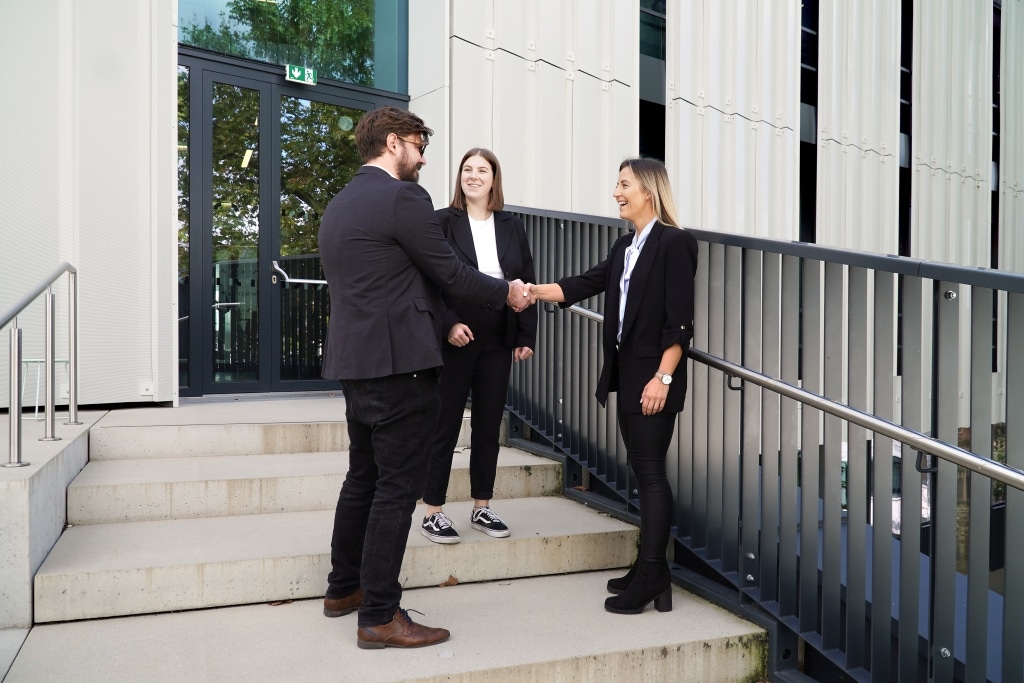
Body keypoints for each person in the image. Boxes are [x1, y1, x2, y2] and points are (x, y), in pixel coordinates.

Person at [317, 107, 530, 649]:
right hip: (399, 367)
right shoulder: (403, 198)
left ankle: (344, 589)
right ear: (394, 144)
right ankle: (380, 615)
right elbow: (450, 272)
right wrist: (507, 292)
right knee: (395, 490)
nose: (424, 156)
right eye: (418, 145)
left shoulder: (340, 204)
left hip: (354, 364)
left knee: (361, 478)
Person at [525, 157, 697, 615]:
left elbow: (680, 323)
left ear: (648, 190)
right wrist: (532, 291)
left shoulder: (675, 243)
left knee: (652, 476)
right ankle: (647, 570)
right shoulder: (626, 247)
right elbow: (585, 283)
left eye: (624, 184)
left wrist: (663, 377)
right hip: (627, 376)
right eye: (616, 184)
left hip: (654, 381)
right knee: (644, 476)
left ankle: (655, 573)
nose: (616, 192)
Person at [420, 149, 538, 544]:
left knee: (489, 425)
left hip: (498, 335)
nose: (473, 176)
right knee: (446, 423)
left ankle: (481, 507)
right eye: (467, 170)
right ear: (460, 178)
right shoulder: (441, 221)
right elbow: (431, 281)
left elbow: (525, 279)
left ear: (494, 179)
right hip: (457, 332)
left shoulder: (511, 225)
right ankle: (432, 510)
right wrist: (448, 323)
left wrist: (525, 335)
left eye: (481, 170)